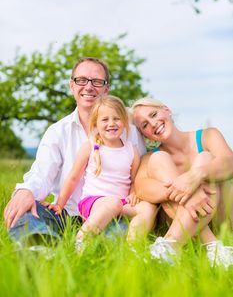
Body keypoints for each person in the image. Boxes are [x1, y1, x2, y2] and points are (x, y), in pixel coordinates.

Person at [4, 57, 146, 245]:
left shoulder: (129, 132)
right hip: (65, 213)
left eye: (97, 81)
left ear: (106, 89)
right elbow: (42, 173)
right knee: (29, 209)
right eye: (81, 80)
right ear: (72, 86)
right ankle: (40, 249)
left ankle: (93, 248)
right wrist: (27, 190)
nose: (89, 87)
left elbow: (142, 173)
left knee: (124, 228)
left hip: (111, 214)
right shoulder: (58, 132)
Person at [131, 97, 233, 267]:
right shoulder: (151, 157)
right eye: (145, 125)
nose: (153, 124)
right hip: (187, 232)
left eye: (154, 114)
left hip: (224, 221)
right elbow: (141, 188)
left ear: (167, 110)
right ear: (144, 134)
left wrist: (195, 176)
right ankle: (211, 247)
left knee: (205, 158)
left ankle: (170, 245)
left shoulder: (208, 135)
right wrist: (182, 190)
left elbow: (229, 162)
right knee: (159, 158)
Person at [48, 95, 157, 251]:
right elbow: (72, 178)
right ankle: (81, 240)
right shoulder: (90, 147)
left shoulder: (131, 150)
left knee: (148, 208)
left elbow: (133, 180)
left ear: (125, 122)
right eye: (105, 120)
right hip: (93, 203)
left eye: (116, 119)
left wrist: (133, 193)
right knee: (113, 203)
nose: (111, 124)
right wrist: (60, 204)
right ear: (95, 124)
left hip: (121, 203)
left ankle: (133, 246)